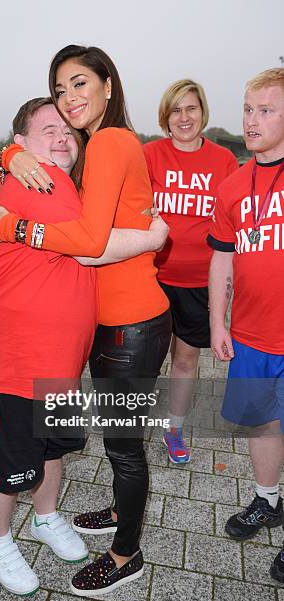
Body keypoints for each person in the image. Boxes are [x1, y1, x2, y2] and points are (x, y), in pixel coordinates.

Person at [0, 45, 172, 596]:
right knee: (117, 441)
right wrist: (8, 155)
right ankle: (118, 511)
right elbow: (48, 163)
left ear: (109, 86)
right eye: (60, 88)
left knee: (124, 445)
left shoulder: (112, 139)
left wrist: (14, 227)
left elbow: (88, 245)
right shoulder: (89, 145)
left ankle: (126, 554)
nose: (70, 99)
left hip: (131, 324)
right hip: (108, 324)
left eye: (80, 83)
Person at [208, 68, 284, 583]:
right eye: (247, 108)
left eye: (265, 110)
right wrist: (219, 323)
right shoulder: (233, 185)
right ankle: (268, 500)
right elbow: (220, 261)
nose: (250, 120)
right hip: (252, 336)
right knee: (262, 423)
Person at [143, 80, 238, 464]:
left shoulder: (223, 161)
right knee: (144, 360)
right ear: (166, 116)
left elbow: (232, 225)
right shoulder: (148, 154)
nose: (184, 117)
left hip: (199, 282)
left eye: (191, 108)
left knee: (185, 360)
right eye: (176, 110)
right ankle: (128, 430)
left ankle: (174, 429)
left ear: (203, 112)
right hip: (151, 277)